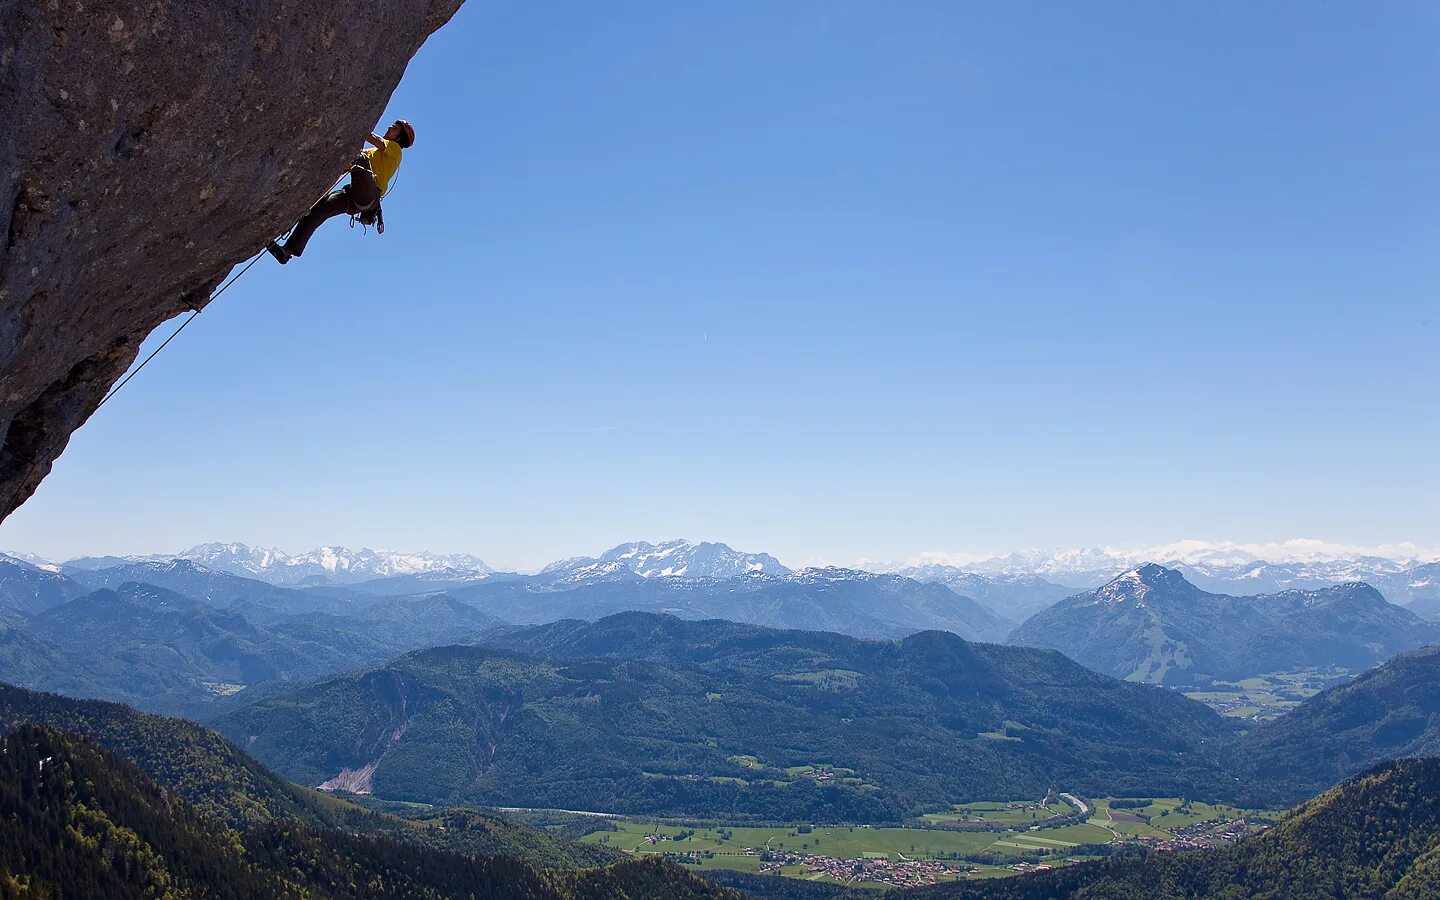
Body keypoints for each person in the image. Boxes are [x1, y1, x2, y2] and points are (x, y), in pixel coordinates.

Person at [266, 119, 415, 264]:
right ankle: (287, 252)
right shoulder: (374, 151)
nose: (389, 128)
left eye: (395, 128)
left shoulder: (395, 149)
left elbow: (375, 139)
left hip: (369, 194)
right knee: (318, 210)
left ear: (399, 137)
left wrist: (356, 126)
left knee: (360, 158)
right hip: (354, 198)